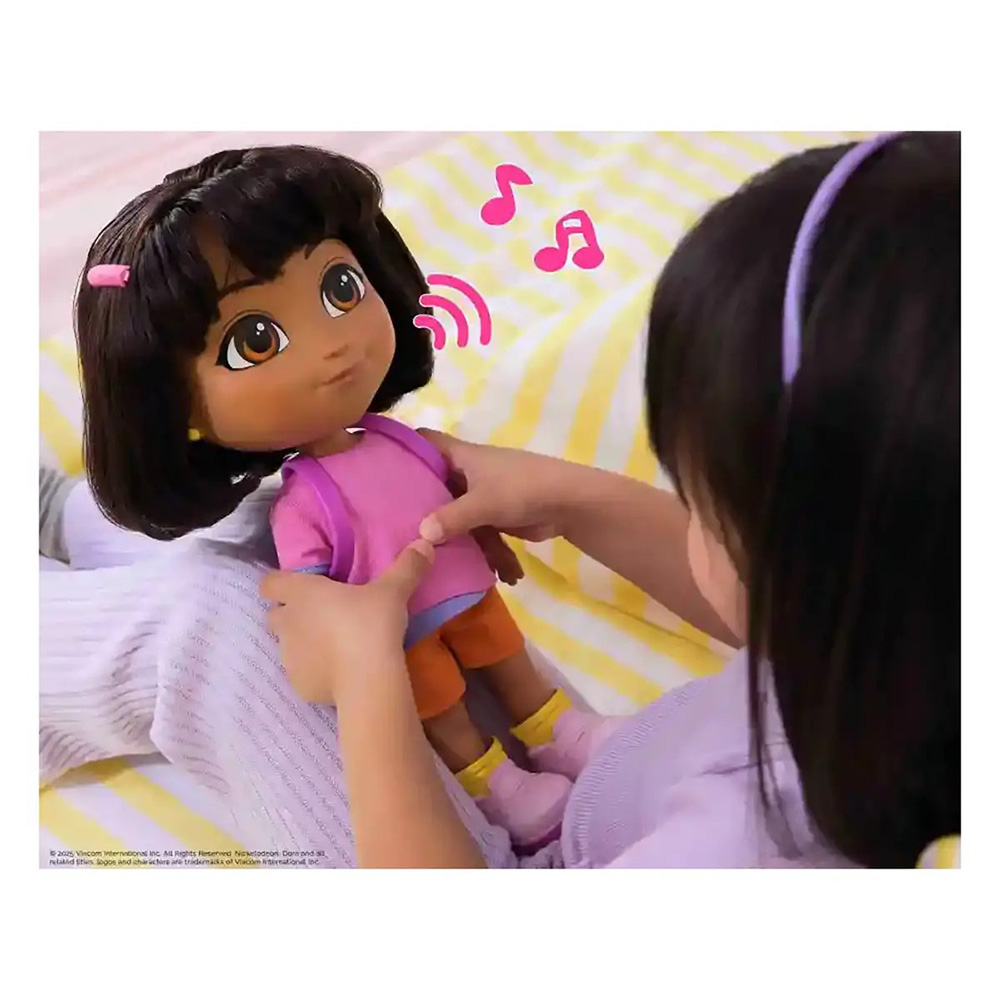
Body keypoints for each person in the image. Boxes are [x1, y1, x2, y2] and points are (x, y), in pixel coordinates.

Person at [41, 131, 958, 867]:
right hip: (585, 766)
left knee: (212, 621)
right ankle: (72, 521)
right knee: (270, 525)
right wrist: (571, 499)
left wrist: (365, 683)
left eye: (706, 504)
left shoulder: (733, 856)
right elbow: (782, 614)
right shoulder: (921, 677)